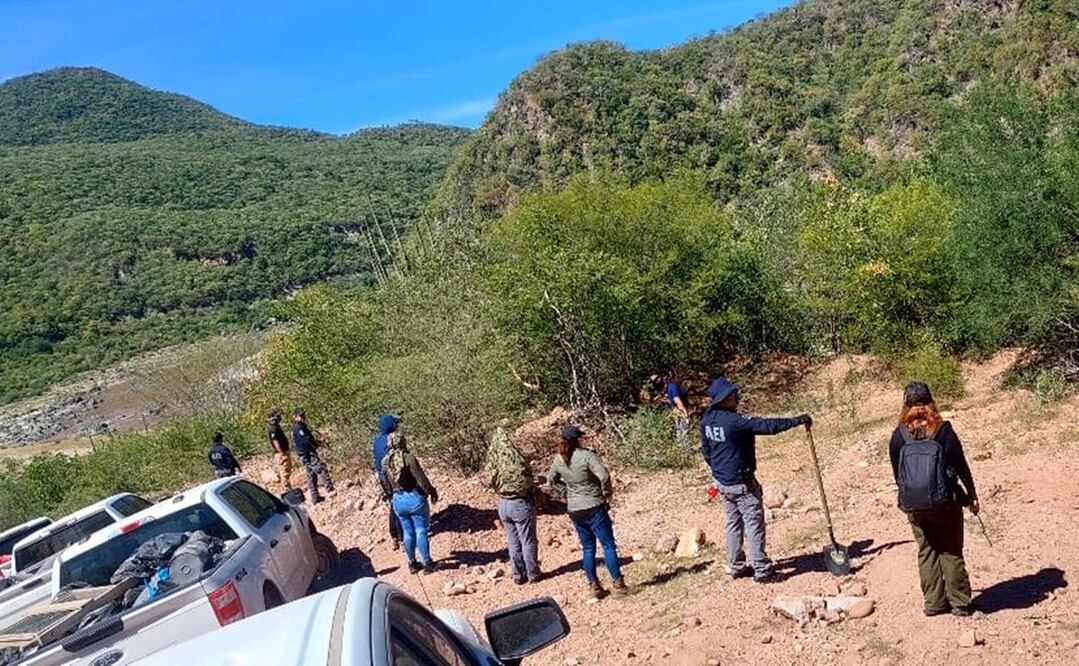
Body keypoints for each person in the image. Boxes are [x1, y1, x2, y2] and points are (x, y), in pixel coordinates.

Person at [699, 377, 811, 582]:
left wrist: (718, 471)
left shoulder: (707, 420)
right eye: (731, 395)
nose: (735, 397)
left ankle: (736, 565)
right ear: (723, 399)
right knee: (753, 523)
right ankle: (762, 569)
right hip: (742, 484)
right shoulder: (735, 422)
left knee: (733, 523)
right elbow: (767, 426)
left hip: (723, 483)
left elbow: (706, 451)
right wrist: (796, 420)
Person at [889, 381, 979, 617]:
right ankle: (960, 603)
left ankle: (934, 603)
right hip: (946, 503)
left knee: (926, 551)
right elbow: (961, 466)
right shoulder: (943, 431)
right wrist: (971, 496)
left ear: (904, 405)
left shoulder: (899, 436)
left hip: (915, 506)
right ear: (931, 402)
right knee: (950, 550)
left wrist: (909, 499)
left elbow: (898, 476)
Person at [547, 424, 626, 599]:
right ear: (577, 439)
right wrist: (606, 493)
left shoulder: (559, 459)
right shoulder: (586, 456)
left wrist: (566, 491)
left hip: (575, 509)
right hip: (594, 505)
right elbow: (604, 475)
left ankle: (593, 586)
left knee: (588, 548)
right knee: (608, 545)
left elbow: (551, 479)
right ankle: (618, 583)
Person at [483, 425, 540, 584]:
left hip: (503, 504)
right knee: (528, 540)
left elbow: (488, 480)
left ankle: (518, 575)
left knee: (513, 542)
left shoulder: (493, 460)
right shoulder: (518, 459)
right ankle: (533, 574)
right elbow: (528, 480)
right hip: (520, 503)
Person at [383, 428, 440, 574]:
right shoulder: (408, 458)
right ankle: (427, 564)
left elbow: (386, 485)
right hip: (414, 498)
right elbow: (421, 479)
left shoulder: (385, 462)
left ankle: (412, 563)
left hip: (398, 500)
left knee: (407, 532)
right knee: (421, 530)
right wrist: (431, 492)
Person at [373, 414, 404, 550]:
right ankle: (401, 537)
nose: (397, 426)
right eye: (395, 424)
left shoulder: (376, 441)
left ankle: (395, 536)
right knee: (398, 503)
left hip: (382, 477)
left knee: (393, 503)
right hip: (392, 475)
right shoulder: (392, 440)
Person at [291, 408, 335, 504]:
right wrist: (317, 444)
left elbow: (308, 439)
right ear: (295, 417)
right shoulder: (298, 427)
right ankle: (331, 490)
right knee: (321, 469)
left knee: (311, 475)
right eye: (300, 416)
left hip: (306, 454)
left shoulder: (301, 426)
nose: (302, 417)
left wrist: (319, 443)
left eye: (303, 415)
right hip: (307, 454)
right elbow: (306, 441)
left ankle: (315, 497)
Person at [664, 371, 692, 446]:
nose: (680, 377)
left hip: (676, 410)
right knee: (684, 430)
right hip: (680, 411)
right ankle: (685, 450)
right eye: (678, 375)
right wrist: (685, 412)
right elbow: (677, 400)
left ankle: (680, 448)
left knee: (679, 430)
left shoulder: (671, 385)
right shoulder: (674, 386)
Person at [267, 410, 293, 490]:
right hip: (281, 453)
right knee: (284, 471)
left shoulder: (276, 427)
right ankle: (287, 489)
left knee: (287, 470)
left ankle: (288, 488)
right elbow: (275, 441)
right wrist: (282, 453)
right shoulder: (273, 428)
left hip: (282, 452)